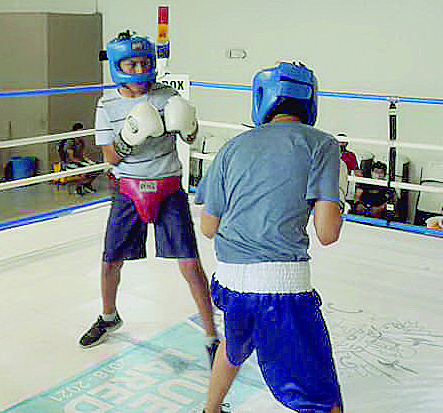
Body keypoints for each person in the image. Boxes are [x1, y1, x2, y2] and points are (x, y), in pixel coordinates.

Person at [196, 61, 344, 413]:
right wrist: (338, 199)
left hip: (229, 283)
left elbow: (208, 226)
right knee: (322, 400)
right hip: (281, 289)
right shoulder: (322, 144)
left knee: (234, 344)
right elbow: (327, 234)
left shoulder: (233, 146)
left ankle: (210, 409)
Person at [80, 31, 220, 366]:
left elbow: (190, 134)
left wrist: (187, 127)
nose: (140, 68)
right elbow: (111, 157)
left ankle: (212, 335)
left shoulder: (168, 95)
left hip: (169, 187)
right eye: (132, 62)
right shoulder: (107, 104)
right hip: (127, 188)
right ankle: (109, 315)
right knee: (110, 260)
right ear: (118, 65)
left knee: (189, 263)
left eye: (145, 61)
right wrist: (130, 138)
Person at [59, 122, 97, 195]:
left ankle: (87, 184)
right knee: (84, 170)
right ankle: (79, 187)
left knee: (97, 169)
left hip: (79, 162)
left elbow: (83, 155)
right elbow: (71, 158)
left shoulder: (81, 142)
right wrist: (82, 163)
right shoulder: (70, 142)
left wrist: (89, 161)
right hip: (70, 163)